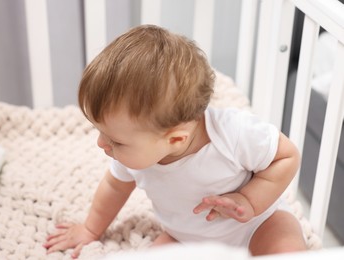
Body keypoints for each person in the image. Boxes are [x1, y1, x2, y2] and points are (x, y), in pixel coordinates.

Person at [43, 25, 307, 258]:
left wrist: (250, 200)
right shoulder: (133, 156)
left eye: (116, 141)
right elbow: (114, 187)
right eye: (99, 131)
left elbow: (286, 156)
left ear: (175, 139)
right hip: (185, 238)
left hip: (258, 227)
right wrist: (91, 228)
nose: (102, 144)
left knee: (286, 251)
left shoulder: (233, 132)